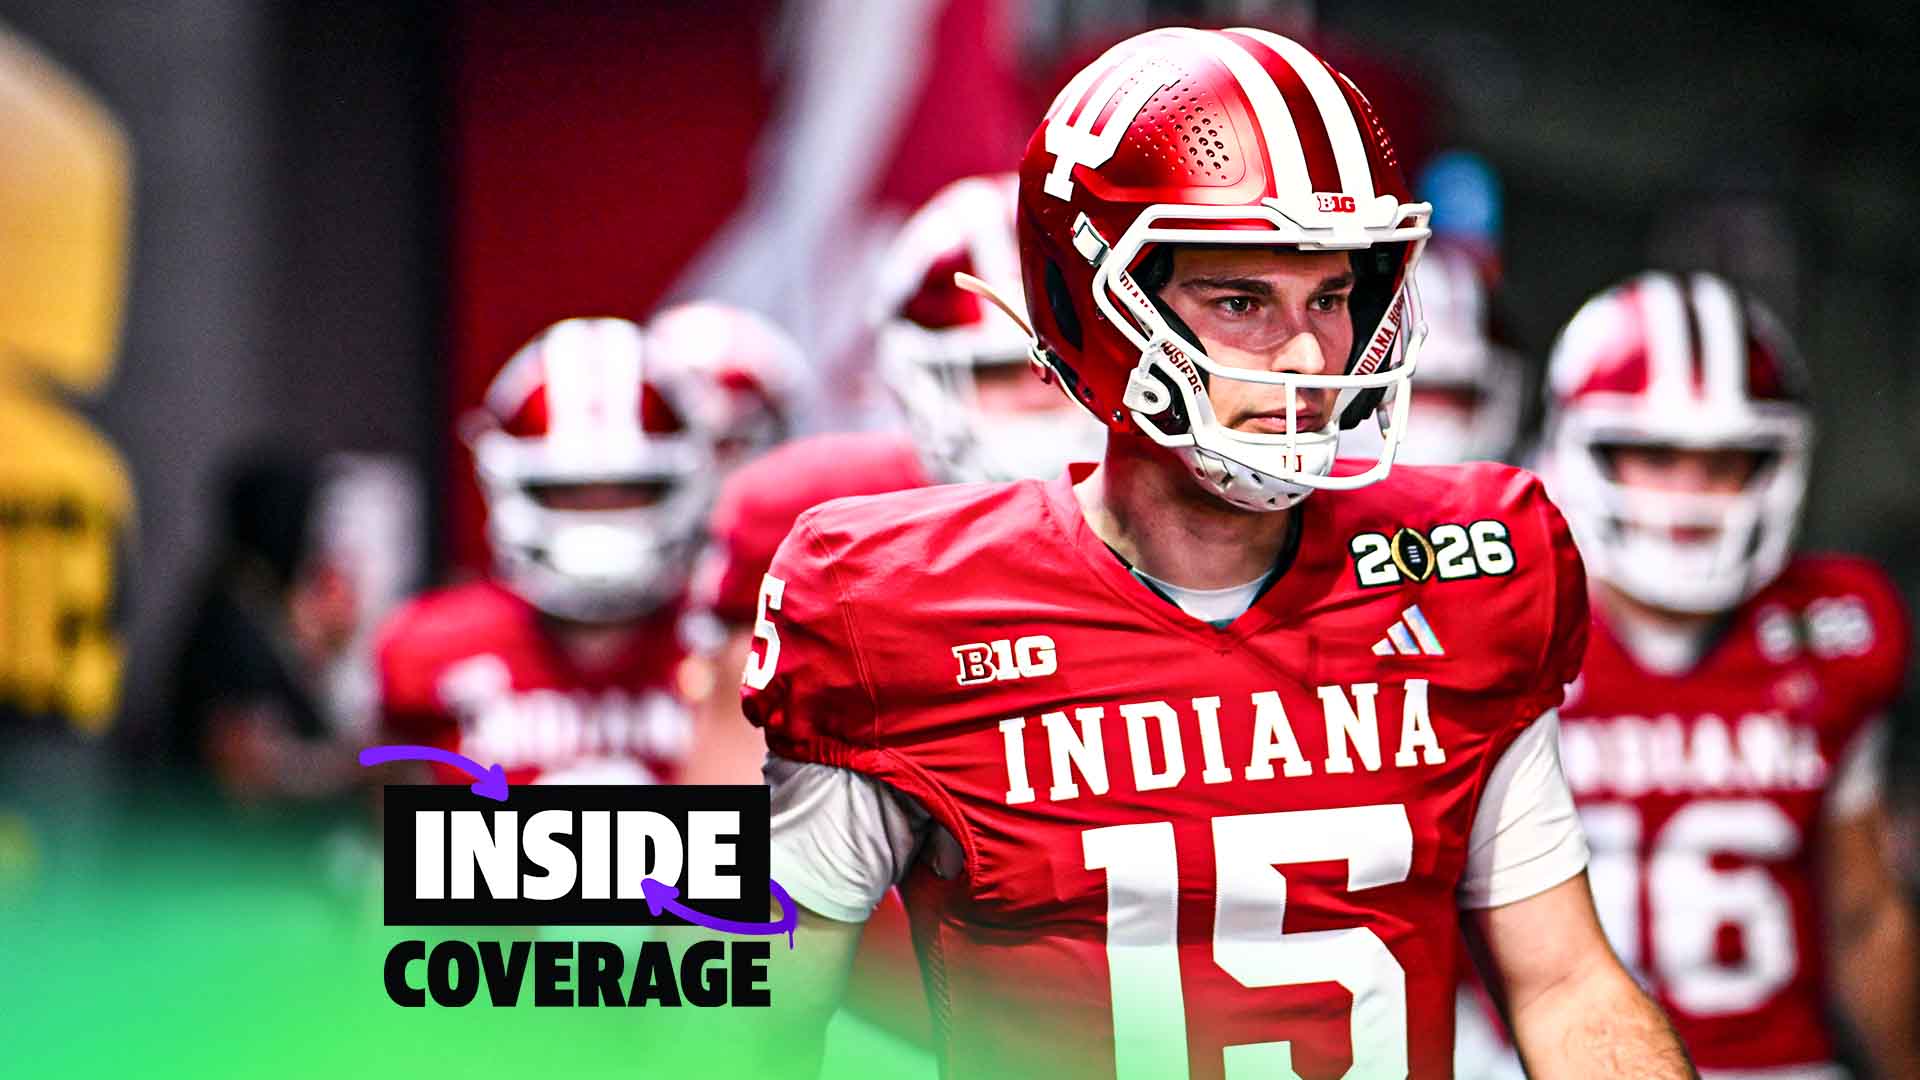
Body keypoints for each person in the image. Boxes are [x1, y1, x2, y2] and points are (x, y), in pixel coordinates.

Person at [738, 27, 1692, 1079]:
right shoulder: (899, 612)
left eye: (1331, 297)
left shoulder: (1467, 568)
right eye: (1241, 300)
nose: (1303, 355)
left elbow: (1565, 984)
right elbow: (757, 1013)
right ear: (1085, 304)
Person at [1522, 271, 1915, 1079]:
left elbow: (1864, 913)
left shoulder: (1831, 630)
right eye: (1654, 455)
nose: (1690, 495)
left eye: (1725, 461)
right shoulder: (1500, 625)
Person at [375, 316, 741, 787]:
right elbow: (384, 848)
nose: (600, 517)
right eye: (570, 493)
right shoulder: (426, 652)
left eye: (629, 491)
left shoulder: (732, 654)